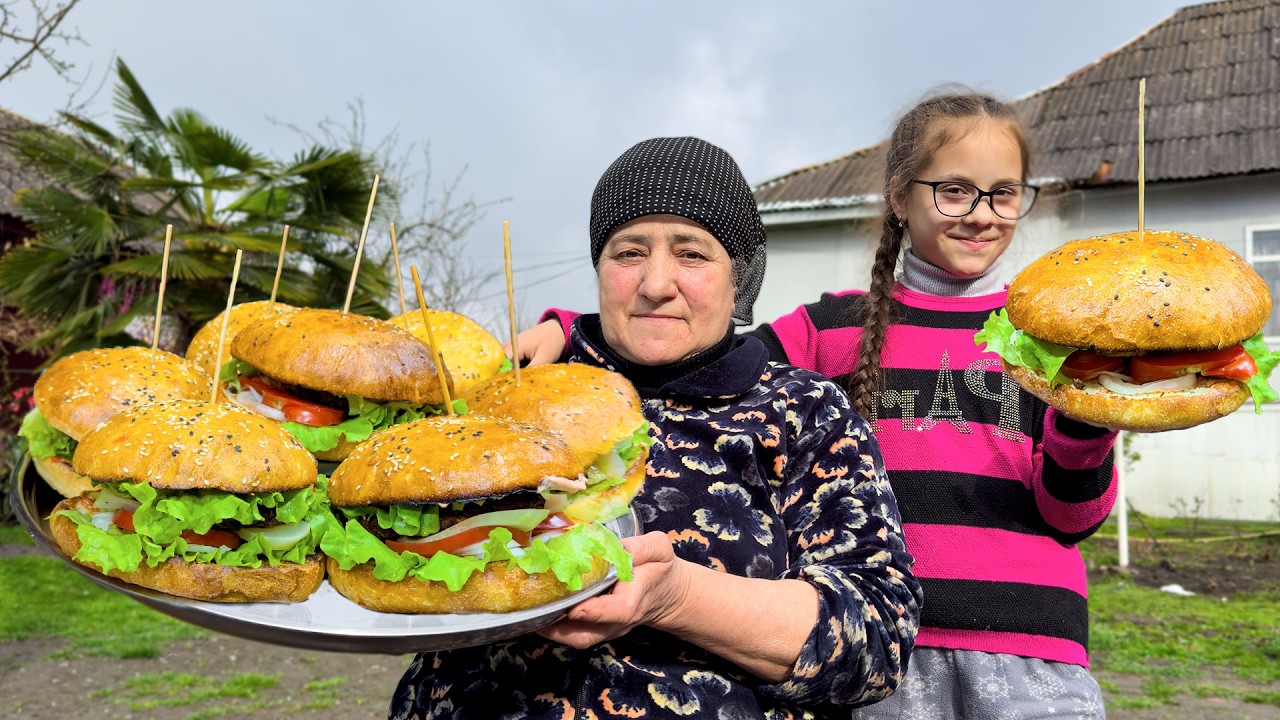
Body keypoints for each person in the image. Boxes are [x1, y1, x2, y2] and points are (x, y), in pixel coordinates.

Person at [518, 94, 1118, 719]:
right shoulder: (834, 327)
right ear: (900, 197)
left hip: (1026, 633)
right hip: (904, 667)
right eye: (954, 191)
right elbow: (699, 354)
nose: (980, 213)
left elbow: (1071, 515)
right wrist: (571, 331)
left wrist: (1089, 424)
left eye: (1003, 193)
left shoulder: (1047, 339)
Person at [390, 136, 922, 720]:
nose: (655, 284)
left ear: (738, 277)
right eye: (629, 252)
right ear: (599, 267)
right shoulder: (513, 389)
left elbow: (877, 641)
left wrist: (676, 598)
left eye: (691, 254)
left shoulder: (803, 411)